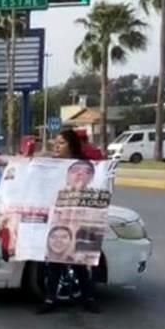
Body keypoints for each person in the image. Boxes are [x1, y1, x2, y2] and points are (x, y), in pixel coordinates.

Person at [39, 129, 99, 314]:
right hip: (59, 217)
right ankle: (50, 299)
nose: (56, 146)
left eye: (61, 143)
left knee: (79, 260)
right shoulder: (52, 165)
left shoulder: (84, 165)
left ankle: (88, 299)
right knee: (56, 259)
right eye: (55, 143)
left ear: (71, 145)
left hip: (80, 217)